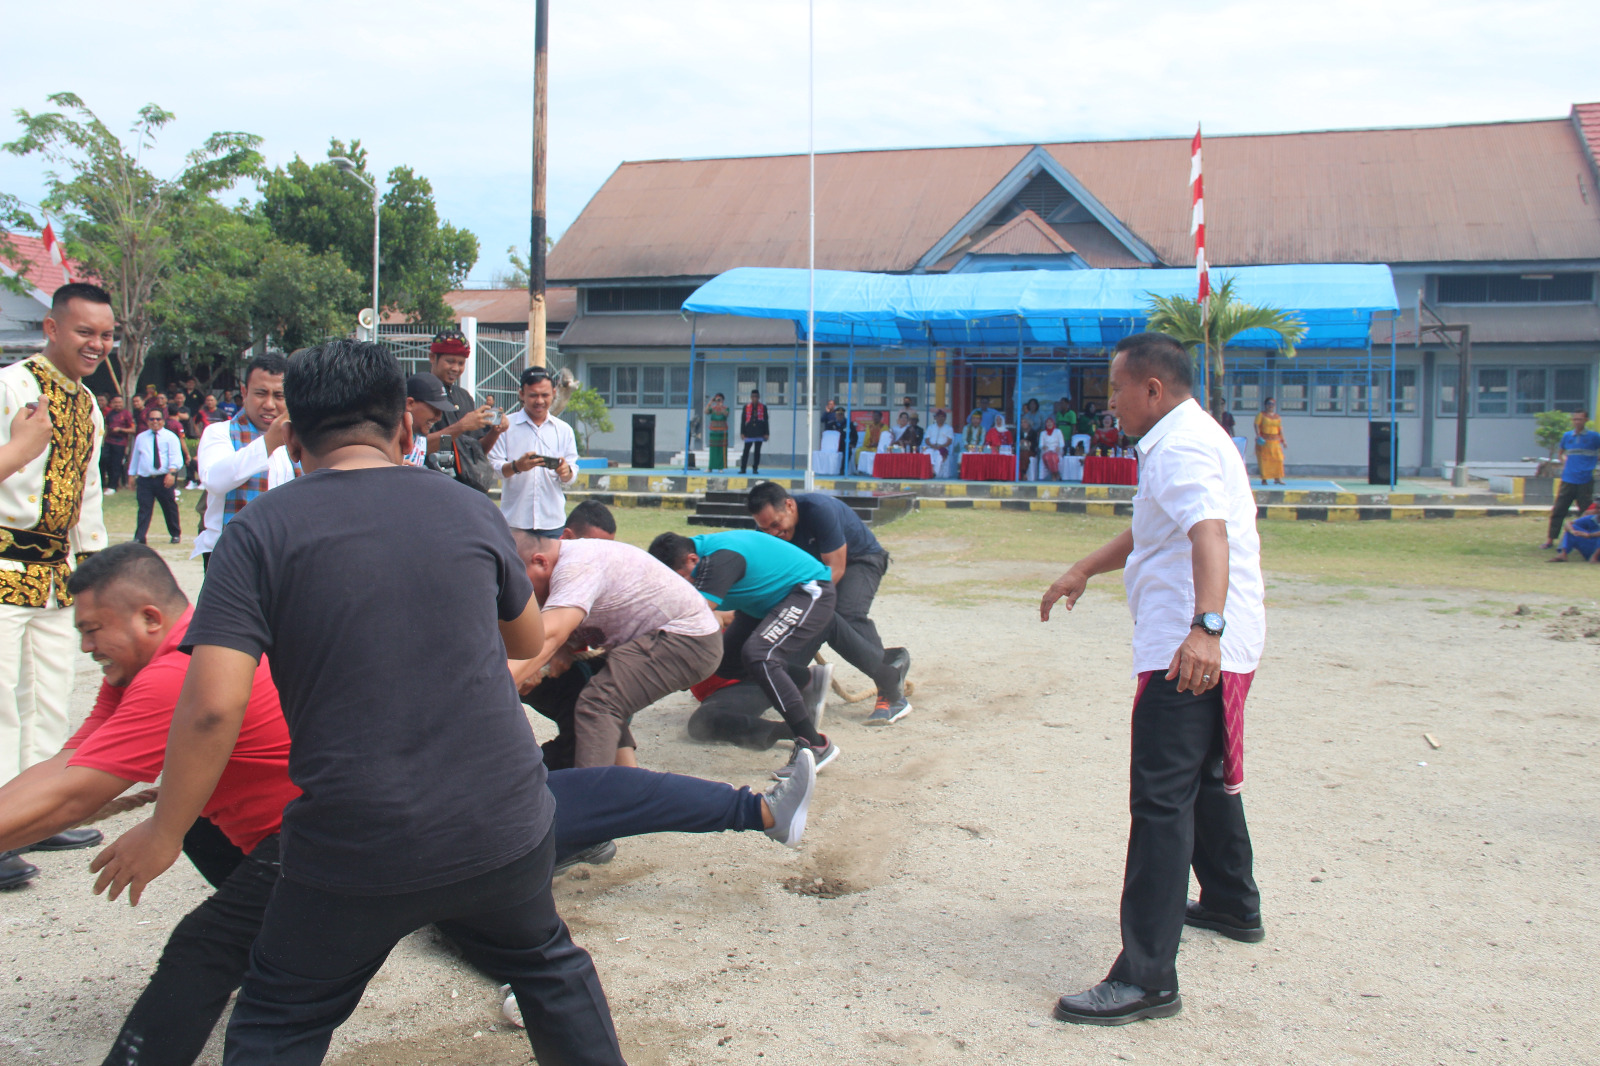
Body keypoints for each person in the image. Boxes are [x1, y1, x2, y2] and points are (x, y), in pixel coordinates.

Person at [0, 542, 815, 1058]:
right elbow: (71, 771)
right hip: (401, 818)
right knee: (509, 918)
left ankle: (758, 811)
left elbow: (65, 799)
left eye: (92, 632)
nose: (87, 647)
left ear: (151, 617)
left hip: (397, 818)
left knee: (582, 808)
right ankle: (756, 814)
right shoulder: (177, 660)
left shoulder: (180, 674)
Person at [88, 339, 625, 1064]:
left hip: (355, 842)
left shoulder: (260, 532)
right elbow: (526, 638)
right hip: (504, 824)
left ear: (294, 441)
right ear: (405, 429)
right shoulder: (468, 510)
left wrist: (165, 829)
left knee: (282, 1016)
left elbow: (213, 707)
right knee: (548, 965)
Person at [1042, 332, 1267, 1026]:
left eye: (1116, 389)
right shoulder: (1181, 439)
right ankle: (1231, 902)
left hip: (1188, 649)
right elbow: (1154, 530)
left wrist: (1205, 629)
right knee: (1202, 779)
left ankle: (1146, 978)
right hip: (1206, 641)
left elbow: (1209, 533)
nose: (1109, 403)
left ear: (1152, 389)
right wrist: (1084, 567)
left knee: (1161, 801)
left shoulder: (1181, 446)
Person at [0, 281, 114, 887]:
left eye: (106, 335)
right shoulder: (10, 387)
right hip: (2, 560)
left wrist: (95, 571)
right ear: (51, 328)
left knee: (48, 694)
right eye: (85, 332)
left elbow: (88, 494)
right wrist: (21, 449)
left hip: (53, 573)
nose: (97, 344)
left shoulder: (89, 404)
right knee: (0, 699)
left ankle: (35, 813)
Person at [509, 531, 722, 769]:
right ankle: (628, 778)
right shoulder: (563, 569)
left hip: (686, 639)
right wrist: (559, 649)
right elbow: (554, 636)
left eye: (522, 586)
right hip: (650, 641)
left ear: (540, 561)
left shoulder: (577, 566)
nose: (520, 597)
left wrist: (499, 684)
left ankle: (592, 789)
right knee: (588, 692)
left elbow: (550, 634)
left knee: (600, 701)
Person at [650, 529, 840, 776]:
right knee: (725, 661)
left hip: (809, 591)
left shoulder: (720, 559)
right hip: (766, 602)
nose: (679, 586)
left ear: (692, 560)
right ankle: (807, 680)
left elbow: (692, 618)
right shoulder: (696, 556)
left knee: (758, 655)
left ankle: (814, 744)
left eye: (680, 578)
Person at [747, 482, 912, 724]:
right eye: (765, 529)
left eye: (776, 524)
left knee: (845, 615)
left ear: (790, 506)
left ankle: (891, 691)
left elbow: (835, 568)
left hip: (859, 560)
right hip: (814, 573)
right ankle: (803, 683)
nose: (773, 533)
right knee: (798, 621)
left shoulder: (819, 510)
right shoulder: (767, 532)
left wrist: (803, 605)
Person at [193, 353, 295, 570]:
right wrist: (268, 443)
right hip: (229, 553)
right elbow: (214, 481)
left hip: (284, 553)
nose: (269, 404)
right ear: (244, 392)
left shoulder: (300, 438)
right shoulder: (220, 433)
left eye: (279, 395)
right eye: (260, 393)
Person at [490, 367, 580, 538]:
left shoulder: (564, 430)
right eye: (533, 395)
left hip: (552, 522)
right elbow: (494, 469)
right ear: (521, 394)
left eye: (545, 395)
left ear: (554, 393)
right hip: (515, 522)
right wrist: (516, 467)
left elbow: (572, 474)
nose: (539, 401)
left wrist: (566, 472)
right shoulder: (506, 426)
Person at [424, 329, 507, 493]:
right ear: (432, 357)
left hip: (464, 490)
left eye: (461, 363)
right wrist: (461, 427)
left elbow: (475, 452)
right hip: (430, 486)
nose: (455, 368)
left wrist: (495, 431)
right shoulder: (420, 392)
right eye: (450, 361)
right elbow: (416, 445)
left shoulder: (463, 397)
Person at [128, 405, 186, 546]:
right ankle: (140, 537)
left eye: (158, 419)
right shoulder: (141, 437)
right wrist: (131, 474)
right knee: (144, 508)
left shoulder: (170, 437)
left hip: (164, 478)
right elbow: (135, 457)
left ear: (163, 420)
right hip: (145, 479)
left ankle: (175, 534)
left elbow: (176, 457)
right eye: (152, 419)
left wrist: (172, 473)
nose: (155, 422)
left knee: (169, 507)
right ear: (147, 421)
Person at [1542, 409, 1598, 549]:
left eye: (1580, 419)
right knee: (1559, 509)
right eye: (1575, 419)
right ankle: (1550, 540)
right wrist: (1564, 462)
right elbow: (1561, 452)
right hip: (1568, 479)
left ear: (1586, 420)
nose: (1577, 422)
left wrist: (1591, 463)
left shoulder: (1594, 437)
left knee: (1586, 512)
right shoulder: (1567, 436)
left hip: (1585, 480)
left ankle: (1585, 540)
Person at [402, 371, 455, 467]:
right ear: (410, 404)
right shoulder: (388, 435)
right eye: (434, 409)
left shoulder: (420, 437)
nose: (439, 417)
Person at [102, 394, 134, 495]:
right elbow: (106, 426)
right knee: (104, 460)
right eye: (115, 402)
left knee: (116, 464)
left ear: (123, 403)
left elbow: (133, 429)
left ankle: (113, 486)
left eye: (119, 402)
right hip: (108, 441)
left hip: (120, 442)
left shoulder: (127, 414)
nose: (117, 404)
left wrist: (120, 429)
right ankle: (103, 484)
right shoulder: (109, 413)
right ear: (112, 403)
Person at [1254, 397, 1286, 485]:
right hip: (1264, 441)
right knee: (1264, 460)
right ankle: (1264, 479)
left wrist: (1283, 440)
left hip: (1275, 441)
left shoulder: (1277, 417)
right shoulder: (1261, 415)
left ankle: (1277, 478)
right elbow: (1256, 425)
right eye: (1269, 404)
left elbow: (1280, 429)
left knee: (1278, 459)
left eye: (1272, 404)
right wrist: (1258, 435)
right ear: (1265, 405)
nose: (1270, 406)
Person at [738, 389, 769, 474]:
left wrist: (766, 433)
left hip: (759, 432)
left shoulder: (763, 407)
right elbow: (743, 421)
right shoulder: (746, 407)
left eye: (756, 397)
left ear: (759, 397)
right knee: (746, 451)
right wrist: (742, 433)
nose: (754, 398)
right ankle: (743, 468)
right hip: (749, 432)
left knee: (757, 451)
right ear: (751, 397)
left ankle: (755, 468)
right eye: (753, 397)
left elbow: (766, 421)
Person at [922, 408, 955, 477]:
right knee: (927, 453)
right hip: (931, 447)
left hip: (942, 448)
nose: (940, 418)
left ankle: (935, 474)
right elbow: (927, 439)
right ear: (936, 418)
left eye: (942, 417)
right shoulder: (930, 427)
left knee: (938, 456)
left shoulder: (949, 428)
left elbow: (949, 441)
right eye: (939, 417)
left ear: (945, 418)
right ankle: (930, 471)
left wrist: (941, 446)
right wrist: (932, 445)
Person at [705, 392, 729, 471]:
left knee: (721, 451)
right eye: (717, 399)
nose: (718, 401)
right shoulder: (712, 409)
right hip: (713, 432)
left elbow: (726, 414)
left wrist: (721, 406)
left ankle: (720, 467)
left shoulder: (726, 408)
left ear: (723, 400)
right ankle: (710, 467)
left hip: (722, 433)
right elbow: (706, 411)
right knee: (713, 451)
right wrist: (710, 402)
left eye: (720, 399)